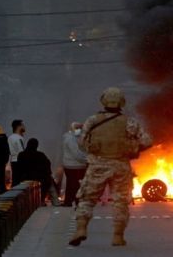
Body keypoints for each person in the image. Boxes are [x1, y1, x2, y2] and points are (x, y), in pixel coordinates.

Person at [69, 87, 152, 247]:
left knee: (87, 199)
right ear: (122, 102)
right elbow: (147, 141)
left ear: (103, 101)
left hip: (97, 165)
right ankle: (118, 236)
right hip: (121, 166)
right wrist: (133, 148)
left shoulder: (92, 121)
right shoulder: (130, 122)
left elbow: (82, 143)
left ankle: (81, 229)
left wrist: (82, 138)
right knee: (120, 201)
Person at [17, 138, 58, 206]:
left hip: (25, 179)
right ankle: (56, 203)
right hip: (41, 180)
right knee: (50, 183)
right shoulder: (40, 155)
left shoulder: (21, 155)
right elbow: (47, 165)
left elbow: (19, 168)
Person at [61, 122, 87, 207]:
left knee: (71, 184)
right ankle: (76, 201)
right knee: (76, 185)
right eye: (78, 128)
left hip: (71, 165)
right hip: (75, 165)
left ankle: (69, 201)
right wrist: (87, 159)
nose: (80, 130)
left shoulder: (70, 137)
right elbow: (76, 153)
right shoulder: (71, 139)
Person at [8, 119, 26, 187]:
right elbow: (21, 151)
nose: (24, 127)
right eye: (23, 125)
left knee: (15, 180)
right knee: (20, 181)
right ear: (19, 126)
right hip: (19, 161)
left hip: (13, 161)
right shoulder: (19, 138)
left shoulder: (10, 137)